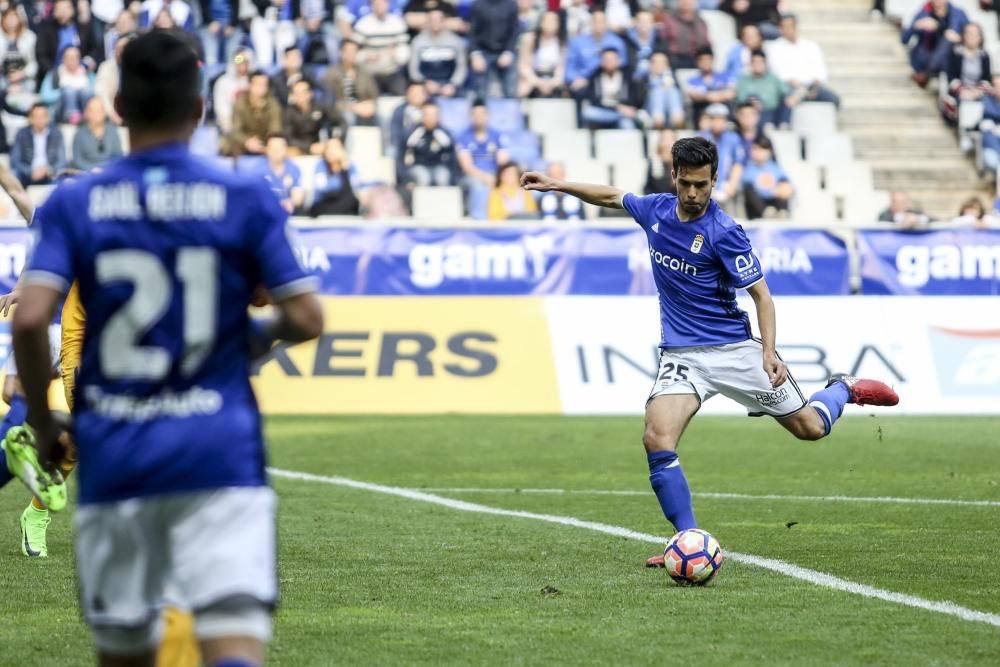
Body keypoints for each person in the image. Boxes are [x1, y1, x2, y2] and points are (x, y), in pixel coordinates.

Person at [8, 29, 323, 667]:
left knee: (128, 653)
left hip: (118, 459)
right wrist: (242, 340)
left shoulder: (77, 201)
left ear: (118, 109)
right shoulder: (245, 197)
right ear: (200, 111)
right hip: (220, 457)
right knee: (232, 648)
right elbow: (306, 316)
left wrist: (44, 428)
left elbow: (27, 318)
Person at [519, 136, 899, 568]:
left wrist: (769, 352)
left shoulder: (724, 232)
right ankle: (687, 542)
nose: (695, 194)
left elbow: (762, 296)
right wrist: (556, 184)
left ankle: (843, 388)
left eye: (703, 184)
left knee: (810, 428)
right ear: (675, 177)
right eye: (687, 184)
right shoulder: (656, 211)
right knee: (656, 437)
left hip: (735, 352)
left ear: (715, 180)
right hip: (682, 356)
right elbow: (611, 196)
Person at [767, 13, 840, 107]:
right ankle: (800, 96)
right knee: (788, 97)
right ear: (780, 28)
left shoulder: (810, 46)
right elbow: (776, 72)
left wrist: (815, 82)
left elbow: (821, 71)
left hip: (811, 87)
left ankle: (801, 96)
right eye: (785, 27)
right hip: (789, 87)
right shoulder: (773, 48)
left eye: (791, 26)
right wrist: (792, 82)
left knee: (834, 99)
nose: (789, 29)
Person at [457, 100, 510, 220]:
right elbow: (467, 166)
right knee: (478, 186)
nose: (479, 117)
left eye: (482, 114)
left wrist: (497, 178)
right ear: (470, 116)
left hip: (495, 175)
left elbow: (503, 162)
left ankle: (504, 219)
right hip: (473, 176)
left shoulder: (497, 136)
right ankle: (479, 221)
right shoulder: (463, 137)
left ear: (488, 115)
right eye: (475, 114)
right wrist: (485, 177)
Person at [902, 0, 968, 87]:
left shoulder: (958, 14)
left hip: (949, 60)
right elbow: (904, 39)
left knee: (948, 39)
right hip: (925, 58)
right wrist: (917, 25)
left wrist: (959, 39)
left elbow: (974, 37)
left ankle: (926, 74)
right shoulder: (922, 14)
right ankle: (928, 72)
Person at [34, 0, 102, 83]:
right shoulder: (47, 30)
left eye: (66, 8)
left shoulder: (84, 28)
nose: (63, 11)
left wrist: (85, 66)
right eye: (59, 8)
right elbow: (41, 55)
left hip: (81, 72)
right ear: (54, 11)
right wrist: (53, 71)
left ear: (73, 9)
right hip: (56, 74)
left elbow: (95, 49)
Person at [565, 10, 627, 99]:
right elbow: (570, 66)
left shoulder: (617, 42)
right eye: (595, 21)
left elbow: (623, 64)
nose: (598, 25)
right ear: (590, 23)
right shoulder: (578, 42)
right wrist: (574, 79)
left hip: (609, 80)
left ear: (606, 23)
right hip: (584, 80)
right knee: (578, 91)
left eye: (601, 22)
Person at [353, 0, 411, 95]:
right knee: (366, 97)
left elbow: (404, 51)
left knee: (403, 95)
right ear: (371, 6)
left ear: (388, 4)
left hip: (393, 72)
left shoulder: (397, 23)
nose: (379, 7)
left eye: (382, 3)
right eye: (376, 4)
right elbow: (353, 52)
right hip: (370, 74)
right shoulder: (362, 25)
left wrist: (396, 55)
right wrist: (366, 56)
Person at [409, 7, 467, 98]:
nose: (435, 23)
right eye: (432, 20)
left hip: (450, 83)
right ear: (427, 22)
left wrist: (453, 84)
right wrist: (424, 82)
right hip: (426, 83)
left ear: (444, 21)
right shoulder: (418, 41)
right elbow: (413, 69)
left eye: (438, 20)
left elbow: (461, 66)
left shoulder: (456, 41)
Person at [581, 47, 645, 129]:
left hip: (624, 112)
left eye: (613, 59)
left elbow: (633, 99)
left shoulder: (628, 77)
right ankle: (618, 117)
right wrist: (617, 108)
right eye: (607, 59)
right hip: (604, 112)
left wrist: (625, 109)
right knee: (588, 113)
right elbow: (594, 101)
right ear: (602, 62)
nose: (610, 62)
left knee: (627, 125)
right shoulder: (595, 77)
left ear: (618, 61)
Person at [224, 69, 283, 156]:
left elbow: (275, 129)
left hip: (265, 144)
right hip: (243, 143)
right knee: (228, 145)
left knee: (278, 145)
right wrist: (247, 141)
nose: (261, 88)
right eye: (258, 84)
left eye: (264, 85)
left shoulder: (273, 104)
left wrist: (269, 142)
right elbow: (236, 130)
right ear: (250, 85)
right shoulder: (240, 103)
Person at [942, 22, 991, 125]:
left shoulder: (984, 56)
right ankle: (963, 129)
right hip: (960, 90)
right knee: (961, 100)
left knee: (987, 102)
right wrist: (963, 91)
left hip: (978, 91)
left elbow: (987, 79)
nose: (972, 37)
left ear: (980, 38)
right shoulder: (956, 53)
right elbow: (951, 77)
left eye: (975, 34)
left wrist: (977, 92)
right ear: (963, 36)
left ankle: (981, 127)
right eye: (969, 33)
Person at [284, 77, 347, 157]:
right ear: (292, 95)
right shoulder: (288, 112)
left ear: (310, 93)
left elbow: (341, 122)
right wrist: (309, 147)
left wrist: (336, 139)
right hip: (298, 147)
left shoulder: (320, 107)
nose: (301, 96)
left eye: (303, 92)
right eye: (297, 93)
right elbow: (288, 138)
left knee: (335, 149)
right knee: (289, 152)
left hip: (320, 146)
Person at [468, 0, 519, 99]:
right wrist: (475, 54)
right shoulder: (478, 4)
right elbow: (472, 31)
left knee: (511, 92)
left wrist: (509, 52)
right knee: (480, 95)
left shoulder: (511, 4)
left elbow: (514, 30)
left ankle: (510, 113)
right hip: (483, 52)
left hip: (505, 51)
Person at [324, 39, 379, 126]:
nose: (351, 54)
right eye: (348, 51)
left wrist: (370, 105)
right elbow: (329, 101)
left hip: (363, 107)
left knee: (379, 115)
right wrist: (353, 108)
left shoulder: (364, 71)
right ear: (341, 53)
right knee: (349, 117)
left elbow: (373, 94)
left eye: (354, 51)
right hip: (343, 110)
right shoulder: (332, 73)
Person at [10, 103, 66, 186]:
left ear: (48, 118)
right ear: (30, 118)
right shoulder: (21, 134)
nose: (40, 119)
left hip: (49, 173)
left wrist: (48, 170)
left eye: (43, 116)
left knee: (64, 178)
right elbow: (15, 160)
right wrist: (31, 171)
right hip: (27, 174)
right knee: (14, 175)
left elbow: (61, 160)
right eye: (36, 116)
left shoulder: (57, 133)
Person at [698, 103, 743, 205]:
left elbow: (738, 164)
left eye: (721, 119)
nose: (718, 122)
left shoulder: (733, 138)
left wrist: (732, 184)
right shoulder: (701, 138)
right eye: (715, 119)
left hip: (727, 184)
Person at [737, 50, 796, 128]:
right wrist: (753, 103)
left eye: (761, 62)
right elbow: (741, 98)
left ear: (765, 63)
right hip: (754, 112)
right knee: (752, 100)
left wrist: (790, 96)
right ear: (750, 64)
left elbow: (786, 90)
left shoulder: (773, 78)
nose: (758, 65)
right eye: (755, 62)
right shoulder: (745, 80)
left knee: (787, 99)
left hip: (773, 111)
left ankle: (783, 125)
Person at [39, 45, 95, 125]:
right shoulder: (55, 73)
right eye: (69, 57)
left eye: (75, 57)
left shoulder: (88, 74)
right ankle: (72, 117)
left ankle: (87, 118)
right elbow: (45, 96)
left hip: (85, 110)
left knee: (87, 91)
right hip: (61, 111)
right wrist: (62, 92)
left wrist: (79, 91)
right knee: (69, 90)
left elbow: (97, 93)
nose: (72, 60)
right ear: (63, 59)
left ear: (79, 59)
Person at [402, 102, 455, 186]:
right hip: (418, 166)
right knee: (424, 177)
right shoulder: (414, 132)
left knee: (443, 176)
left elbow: (452, 155)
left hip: (438, 166)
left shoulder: (444, 134)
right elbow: (404, 152)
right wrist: (406, 178)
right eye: (428, 115)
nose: (431, 118)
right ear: (422, 116)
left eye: (434, 115)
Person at [741, 136, 792, 219]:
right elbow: (747, 186)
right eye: (756, 148)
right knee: (748, 189)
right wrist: (772, 192)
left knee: (783, 185)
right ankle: (766, 213)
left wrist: (783, 190)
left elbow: (789, 188)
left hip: (775, 203)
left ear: (770, 151)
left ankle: (783, 213)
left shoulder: (775, 168)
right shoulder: (749, 169)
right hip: (757, 208)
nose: (759, 152)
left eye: (763, 149)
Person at [310, 137, 362, 215]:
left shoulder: (349, 166)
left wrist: (344, 167)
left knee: (352, 201)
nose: (331, 152)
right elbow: (323, 189)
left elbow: (355, 188)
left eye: (334, 148)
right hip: (324, 204)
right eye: (328, 148)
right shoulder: (321, 165)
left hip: (345, 204)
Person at [686, 46, 736, 127]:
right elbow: (693, 95)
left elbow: (732, 93)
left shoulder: (724, 76)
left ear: (713, 60)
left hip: (723, 113)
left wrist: (711, 96)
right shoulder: (693, 80)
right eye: (702, 60)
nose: (706, 62)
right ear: (698, 62)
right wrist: (710, 96)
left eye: (708, 59)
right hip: (703, 113)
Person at [71, 96, 124, 170]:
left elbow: (118, 155)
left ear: (105, 112)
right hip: (87, 174)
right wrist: (94, 169)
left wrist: (107, 169)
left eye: (99, 110)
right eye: (92, 110)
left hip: (109, 172)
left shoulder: (113, 132)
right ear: (87, 113)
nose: (96, 114)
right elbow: (77, 160)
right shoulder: (79, 134)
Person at [94, 30, 132, 125]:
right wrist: (114, 117)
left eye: (124, 47)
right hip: (113, 112)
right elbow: (102, 93)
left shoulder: (141, 66)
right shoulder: (105, 67)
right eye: (118, 48)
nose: (121, 51)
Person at [659, 0, 711, 70]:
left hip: (697, 60)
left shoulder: (701, 21)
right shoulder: (670, 18)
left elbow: (706, 43)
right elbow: (663, 39)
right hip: (675, 60)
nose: (686, 2)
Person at [261, 133, 305, 213]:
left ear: (286, 149)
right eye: (273, 148)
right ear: (266, 149)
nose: (276, 152)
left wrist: (291, 202)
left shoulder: (293, 168)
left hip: (287, 209)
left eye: (280, 148)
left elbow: (298, 194)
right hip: (264, 210)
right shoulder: (258, 169)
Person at [213, 47, 253, 135]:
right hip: (230, 124)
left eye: (245, 61)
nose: (242, 64)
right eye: (239, 61)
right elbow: (221, 107)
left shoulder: (255, 80)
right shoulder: (223, 82)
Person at [0, 7, 38, 98]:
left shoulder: (30, 37)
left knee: (28, 88)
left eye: (14, 17)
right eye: (8, 17)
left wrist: (21, 74)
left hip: (25, 77)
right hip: (3, 77)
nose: (11, 20)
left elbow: (34, 63)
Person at [644, 51, 685, 130]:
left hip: (670, 112)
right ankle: (658, 118)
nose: (659, 65)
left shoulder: (673, 79)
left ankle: (676, 118)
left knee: (673, 91)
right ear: (650, 64)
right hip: (648, 113)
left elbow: (681, 98)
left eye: (663, 62)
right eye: (656, 62)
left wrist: (667, 85)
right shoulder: (643, 79)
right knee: (658, 91)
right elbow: (639, 101)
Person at [645, 129, 676, 195]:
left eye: (670, 139)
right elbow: (648, 188)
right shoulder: (654, 162)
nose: (667, 143)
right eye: (664, 139)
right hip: (657, 201)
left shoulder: (681, 163)